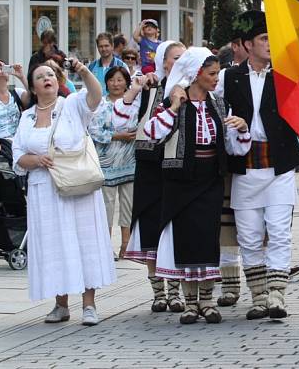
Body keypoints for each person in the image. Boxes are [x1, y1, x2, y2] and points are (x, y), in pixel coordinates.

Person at [143, 47, 251, 325]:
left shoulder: (217, 103)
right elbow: (151, 134)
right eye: (212, 74)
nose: (217, 78)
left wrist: (241, 128)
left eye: (217, 73)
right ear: (196, 74)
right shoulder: (172, 101)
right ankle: (191, 304)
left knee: (207, 238)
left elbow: (232, 147)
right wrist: (175, 106)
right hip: (180, 180)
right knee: (186, 239)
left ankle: (207, 301)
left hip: (210, 177)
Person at [13, 59, 115, 325]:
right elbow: (18, 156)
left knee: (84, 241)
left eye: (50, 75)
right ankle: (60, 304)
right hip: (44, 190)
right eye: (40, 77)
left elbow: (95, 96)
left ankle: (89, 305)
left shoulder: (71, 105)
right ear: (33, 88)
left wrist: (82, 70)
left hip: (76, 185)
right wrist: (35, 161)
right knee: (53, 244)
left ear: (57, 81)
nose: (47, 78)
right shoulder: (27, 117)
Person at [216, 10, 299, 320]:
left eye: (272, 39)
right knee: (249, 236)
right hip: (244, 167)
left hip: (279, 164)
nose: (270, 44)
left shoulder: (286, 76)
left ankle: (278, 295)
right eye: (265, 39)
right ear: (247, 44)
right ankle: (259, 296)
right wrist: (231, 125)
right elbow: (213, 113)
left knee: (279, 232)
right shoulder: (228, 77)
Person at [121, 40, 186, 313]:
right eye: (174, 59)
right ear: (163, 61)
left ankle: (175, 292)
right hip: (149, 167)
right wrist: (136, 89)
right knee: (150, 227)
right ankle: (158, 292)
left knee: (173, 229)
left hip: (177, 168)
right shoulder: (150, 88)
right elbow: (125, 120)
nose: (179, 64)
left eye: (184, 58)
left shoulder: (192, 92)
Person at [88, 67, 137, 259]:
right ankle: (105, 247)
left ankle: (127, 245)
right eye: (112, 80)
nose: (116, 84)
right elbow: (93, 130)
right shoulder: (100, 104)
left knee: (128, 205)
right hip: (106, 162)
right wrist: (117, 135)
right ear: (106, 82)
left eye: (120, 80)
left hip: (130, 160)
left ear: (127, 82)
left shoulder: (134, 102)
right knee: (106, 206)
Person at [0, 62, 29, 140]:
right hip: (1, 146)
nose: (0, 70)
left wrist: (22, 77)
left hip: (18, 144)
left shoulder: (17, 93)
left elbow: (37, 98)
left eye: (3, 67)